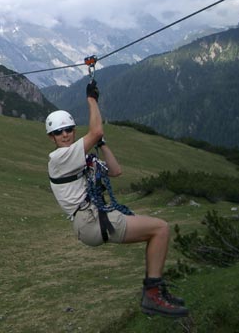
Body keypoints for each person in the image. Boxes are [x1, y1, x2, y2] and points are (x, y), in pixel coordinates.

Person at [45, 80, 188, 318]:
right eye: (58, 132)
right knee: (160, 229)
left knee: (157, 230)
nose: (65, 135)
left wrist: (101, 144)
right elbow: (96, 130)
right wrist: (92, 100)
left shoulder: (81, 159)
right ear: (52, 138)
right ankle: (153, 295)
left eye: (68, 129)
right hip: (91, 220)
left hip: (92, 221)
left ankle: (155, 293)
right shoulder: (60, 158)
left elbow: (115, 170)